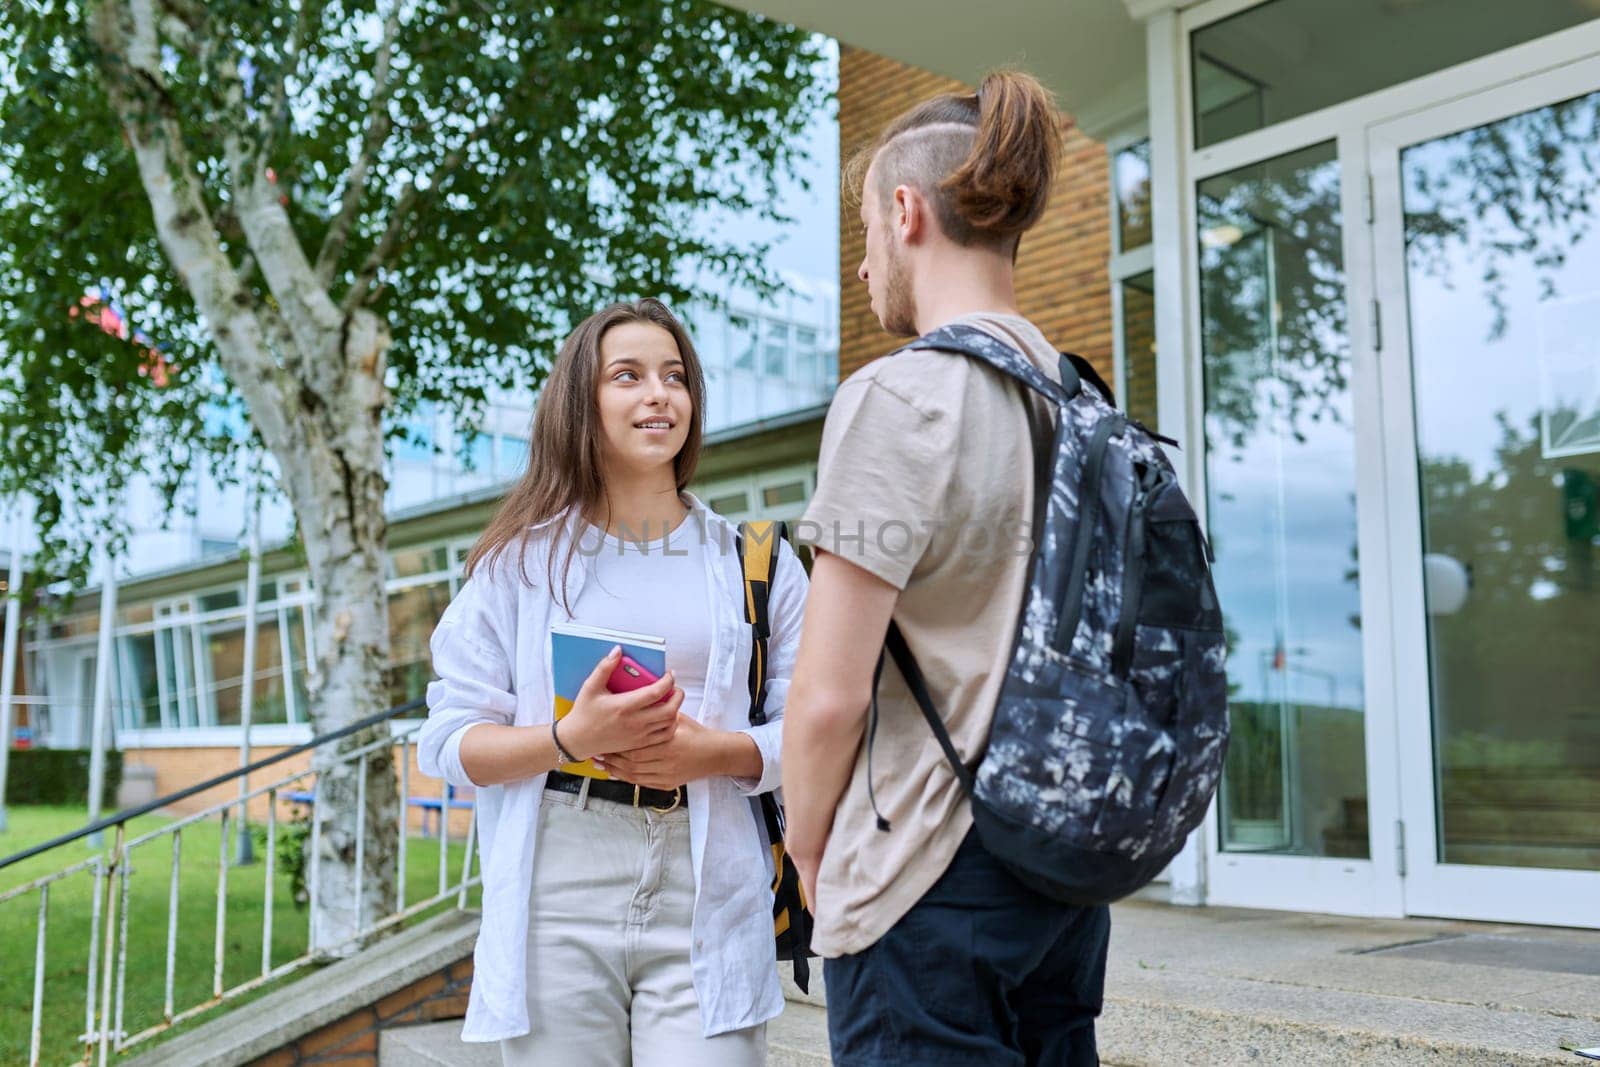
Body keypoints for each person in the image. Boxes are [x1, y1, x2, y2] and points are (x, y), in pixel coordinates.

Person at [780, 71, 1112, 1065]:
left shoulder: (901, 396)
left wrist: (806, 849)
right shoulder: (1082, 403)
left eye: (866, 237)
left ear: (903, 211)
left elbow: (829, 694)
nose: (863, 270)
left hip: (923, 867)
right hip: (1058, 865)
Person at [418, 298, 808, 1065]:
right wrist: (570, 737)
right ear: (581, 404)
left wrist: (720, 752)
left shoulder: (754, 560)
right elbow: (448, 740)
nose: (658, 394)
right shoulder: (517, 564)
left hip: (706, 876)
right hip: (560, 883)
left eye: (675, 377)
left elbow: (817, 731)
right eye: (627, 376)